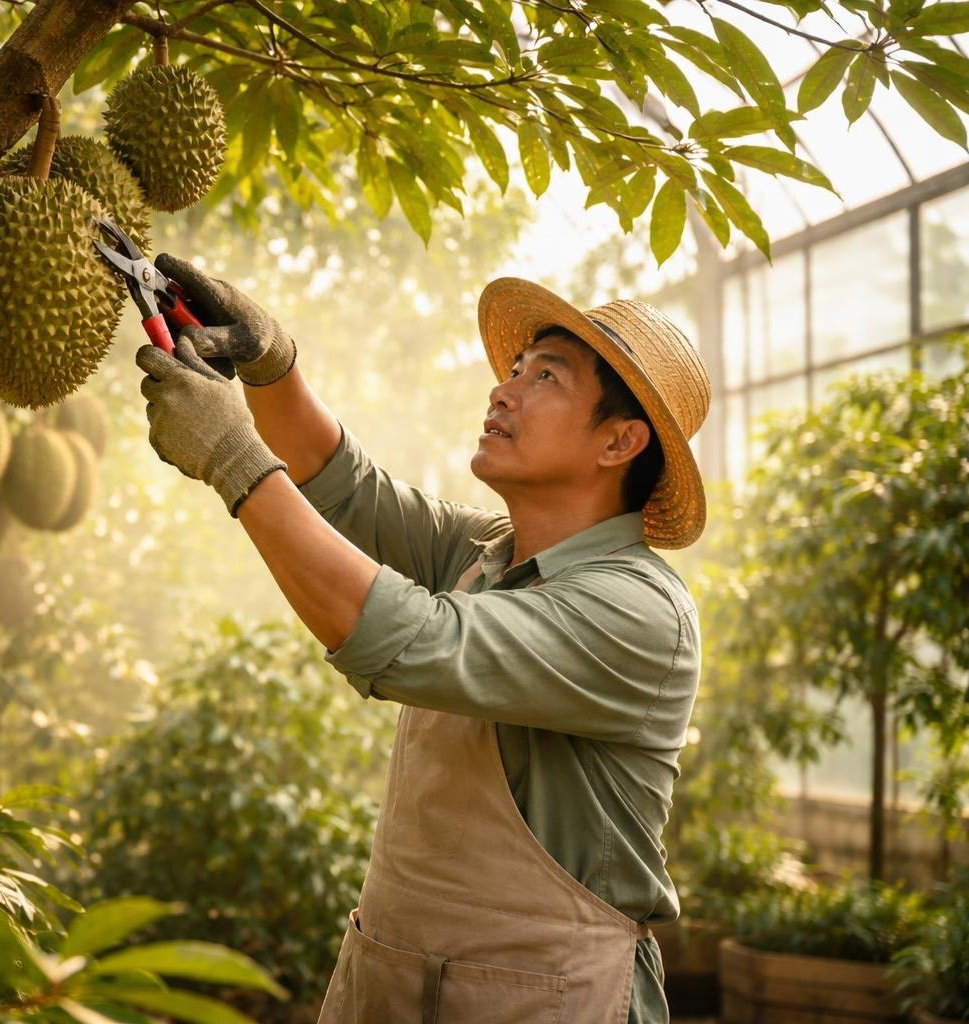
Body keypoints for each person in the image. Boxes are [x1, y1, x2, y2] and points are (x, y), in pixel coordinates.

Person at [134, 254, 709, 1024]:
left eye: (547, 378)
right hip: (391, 984)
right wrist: (271, 365)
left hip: (552, 1002)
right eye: (516, 367)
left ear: (619, 442)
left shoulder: (638, 613)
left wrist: (235, 457)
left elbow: (409, 638)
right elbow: (343, 484)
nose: (503, 389)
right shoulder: (488, 554)